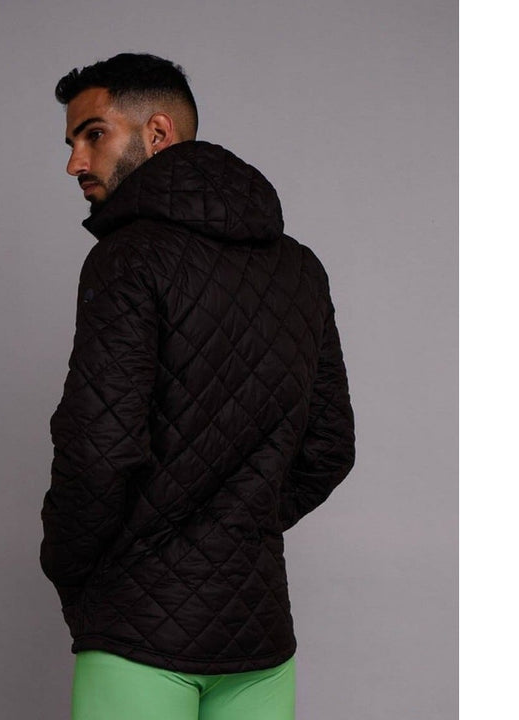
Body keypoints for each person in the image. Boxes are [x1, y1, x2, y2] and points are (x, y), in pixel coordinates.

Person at [39, 53, 355, 720]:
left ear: (157, 133)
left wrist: (73, 570)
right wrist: (237, 526)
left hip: (137, 634)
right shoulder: (301, 267)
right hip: (260, 640)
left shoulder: (127, 257)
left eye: (92, 134)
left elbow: (98, 449)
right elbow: (329, 447)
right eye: (71, 142)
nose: (74, 162)